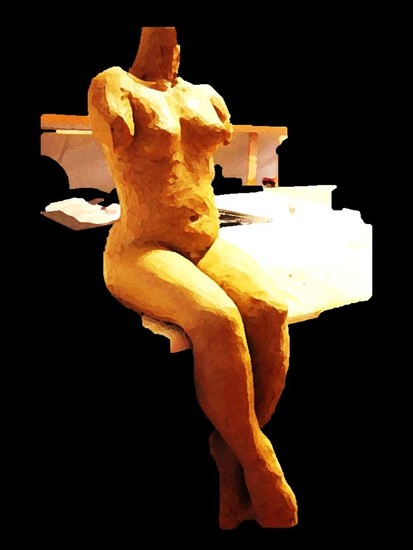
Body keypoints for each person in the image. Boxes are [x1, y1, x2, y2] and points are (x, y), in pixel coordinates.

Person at [88, 26, 297, 529]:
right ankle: (259, 461)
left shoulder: (205, 95)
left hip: (206, 244)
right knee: (216, 319)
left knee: (270, 310)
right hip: (142, 249)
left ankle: (231, 446)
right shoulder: (113, 85)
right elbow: (115, 129)